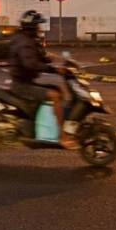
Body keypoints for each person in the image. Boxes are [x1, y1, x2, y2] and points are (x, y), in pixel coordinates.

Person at [8, 10, 75, 149]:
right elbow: (30, 64)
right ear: (31, 27)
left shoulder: (27, 40)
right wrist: (54, 69)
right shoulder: (24, 43)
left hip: (27, 82)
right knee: (55, 95)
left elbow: (38, 55)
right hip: (22, 86)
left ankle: (54, 123)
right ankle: (62, 136)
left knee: (58, 90)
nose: (40, 28)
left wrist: (54, 59)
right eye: (38, 26)